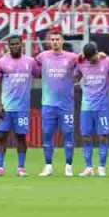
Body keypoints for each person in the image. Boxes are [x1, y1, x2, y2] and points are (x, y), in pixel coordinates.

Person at [33, 29, 78, 177]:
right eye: (52, 40)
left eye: (57, 39)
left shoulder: (72, 58)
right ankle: (48, 166)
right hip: (48, 104)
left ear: (62, 41)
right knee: (47, 135)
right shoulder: (42, 56)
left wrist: (77, 78)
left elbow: (85, 65)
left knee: (68, 134)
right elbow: (33, 68)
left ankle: (68, 166)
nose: (55, 42)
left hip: (66, 105)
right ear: (49, 42)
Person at [0, 34, 36, 177]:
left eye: (17, 44)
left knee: (21, 136)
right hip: (6, 107)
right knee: (1, 135)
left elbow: (41, 73)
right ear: (8, 46)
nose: (15, 46)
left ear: (22, 44)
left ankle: (21, 168)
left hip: (22, 108)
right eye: (12, 44)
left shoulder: (30, 61)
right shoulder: (1, 62)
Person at [75, 41, 109, 177]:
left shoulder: (108, 61)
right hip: (87, 106)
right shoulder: (81, 62)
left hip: (103, 106)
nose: (90, 60)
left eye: (92, 57)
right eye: (88, 58)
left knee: (103, 136)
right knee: (86, 136)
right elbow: (76, 77)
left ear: (97, 52)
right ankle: (89, 167)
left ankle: (101, 167)